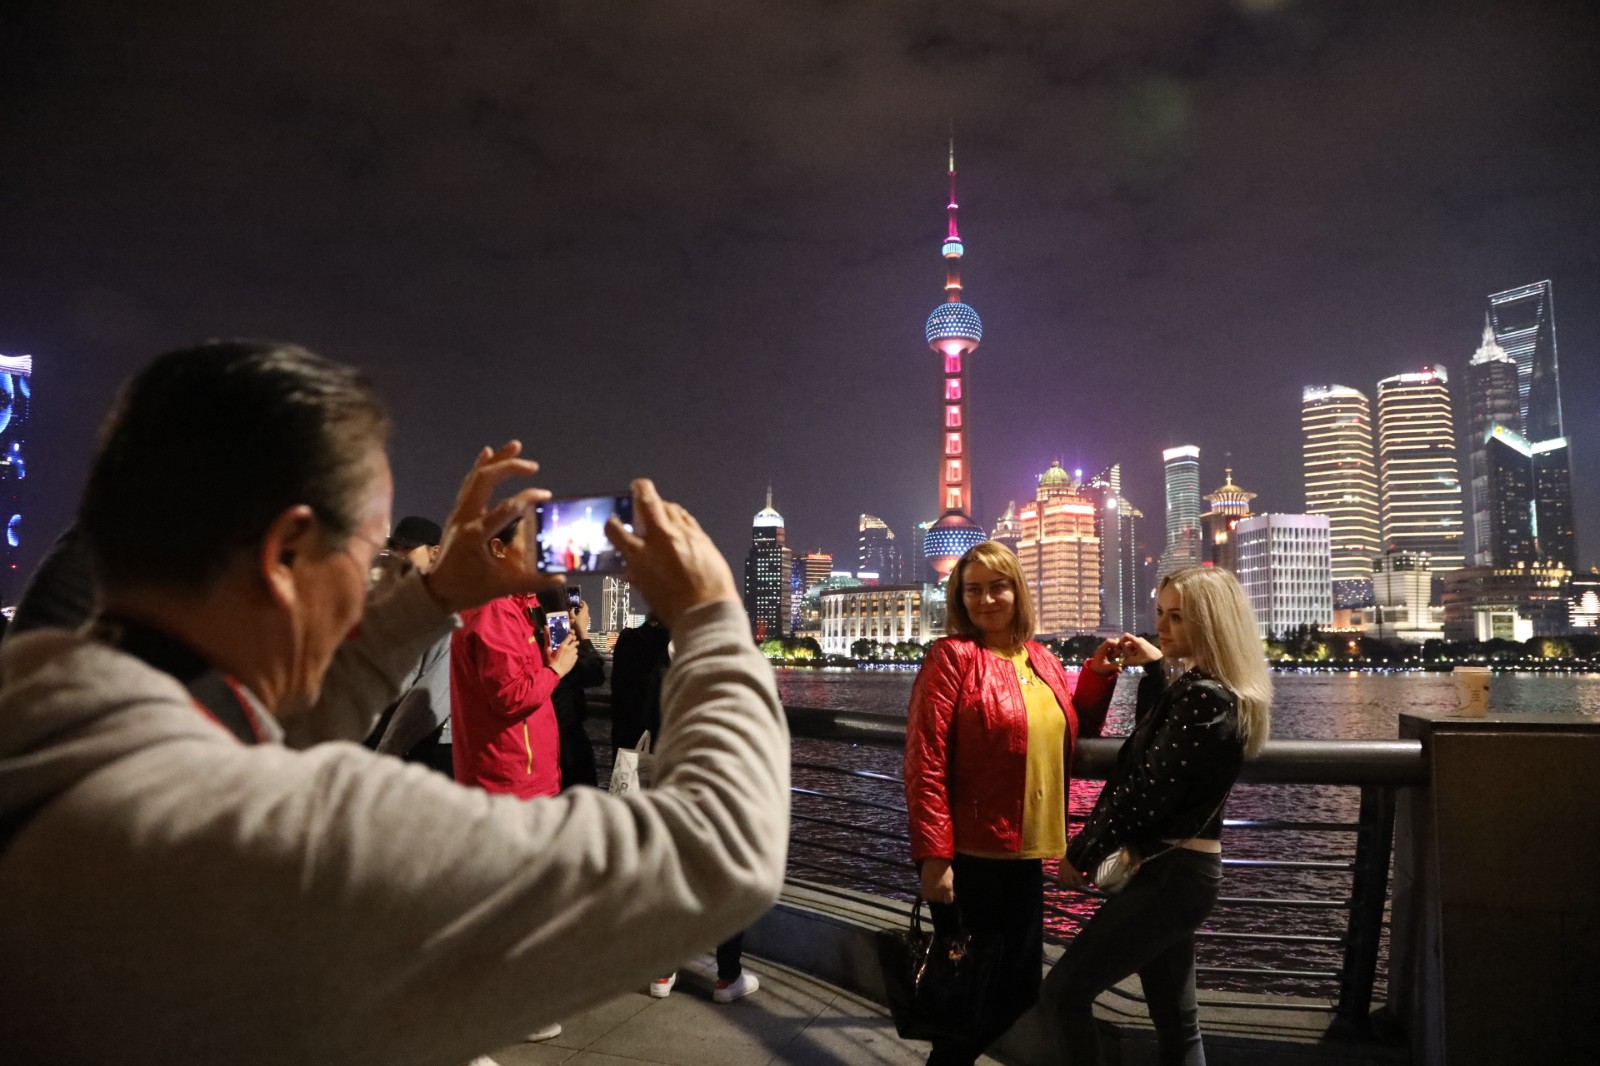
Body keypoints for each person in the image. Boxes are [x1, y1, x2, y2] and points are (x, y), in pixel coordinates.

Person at [0, 340, 790, 1066]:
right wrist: (711, 615)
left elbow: (263, 732)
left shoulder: (46, 707)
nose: (380, 582)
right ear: (284, 554)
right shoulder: (285, 846)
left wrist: (435, 596)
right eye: (374, 556)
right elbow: (724, 852)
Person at [1038, 566, 1273, 1065]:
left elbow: (1146, 788)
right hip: (1185, 872)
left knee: (1062, 995)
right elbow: (1159, 748)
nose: (1161, 626)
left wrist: (1084, 850)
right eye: (1161, 613)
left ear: (1211, 622)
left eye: (1178, 617)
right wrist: (1154, 669)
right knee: (1178, 1026)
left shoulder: (1202, 696)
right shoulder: (1218, 690)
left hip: (1169, 877)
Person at [904, 540, 1121, 1066]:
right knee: (967, 996)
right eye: (972, 590)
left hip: (1026, 853)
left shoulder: (1041, 659)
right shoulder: (952, 658)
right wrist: (934, 856)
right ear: (959, 598)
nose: (985, 599)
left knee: (1016, 990)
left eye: (997, 587)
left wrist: (1096, 676)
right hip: (971, 856)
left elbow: (1070, 733)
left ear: (1017, 591)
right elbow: (925, 759)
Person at [450, 516, 578, 799]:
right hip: (510, 780)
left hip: (513, 774)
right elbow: (511, 696)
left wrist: (546, 661)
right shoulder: (495, 608)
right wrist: (556, 669)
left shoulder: (509, 605)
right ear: (498, 549)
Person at [549, 593, 604, 790]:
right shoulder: (556, 632)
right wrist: (583, 632)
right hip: (567, 741)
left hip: (542, 740)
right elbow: (594, 674)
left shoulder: (533, 631)